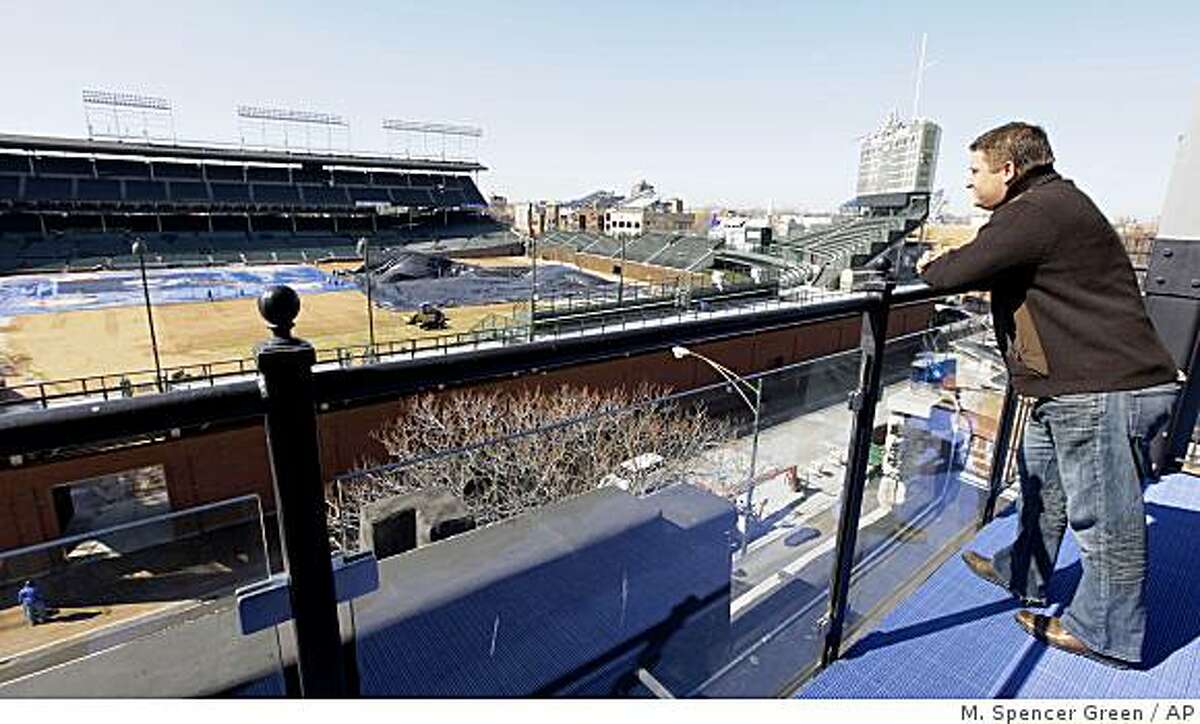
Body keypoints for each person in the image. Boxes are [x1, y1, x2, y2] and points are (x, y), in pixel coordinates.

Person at [918, 122, 1181, 668]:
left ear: (1008, 171)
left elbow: (959, 269)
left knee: (1104, 518)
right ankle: (1024, 569)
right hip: (1076, 385)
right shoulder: (1052, 203)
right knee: (1041, 481)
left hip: (1101, 388)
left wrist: (928, 265)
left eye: (975, 171)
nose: (968, 184)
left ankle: (1105, 632)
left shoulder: (1033, 211)